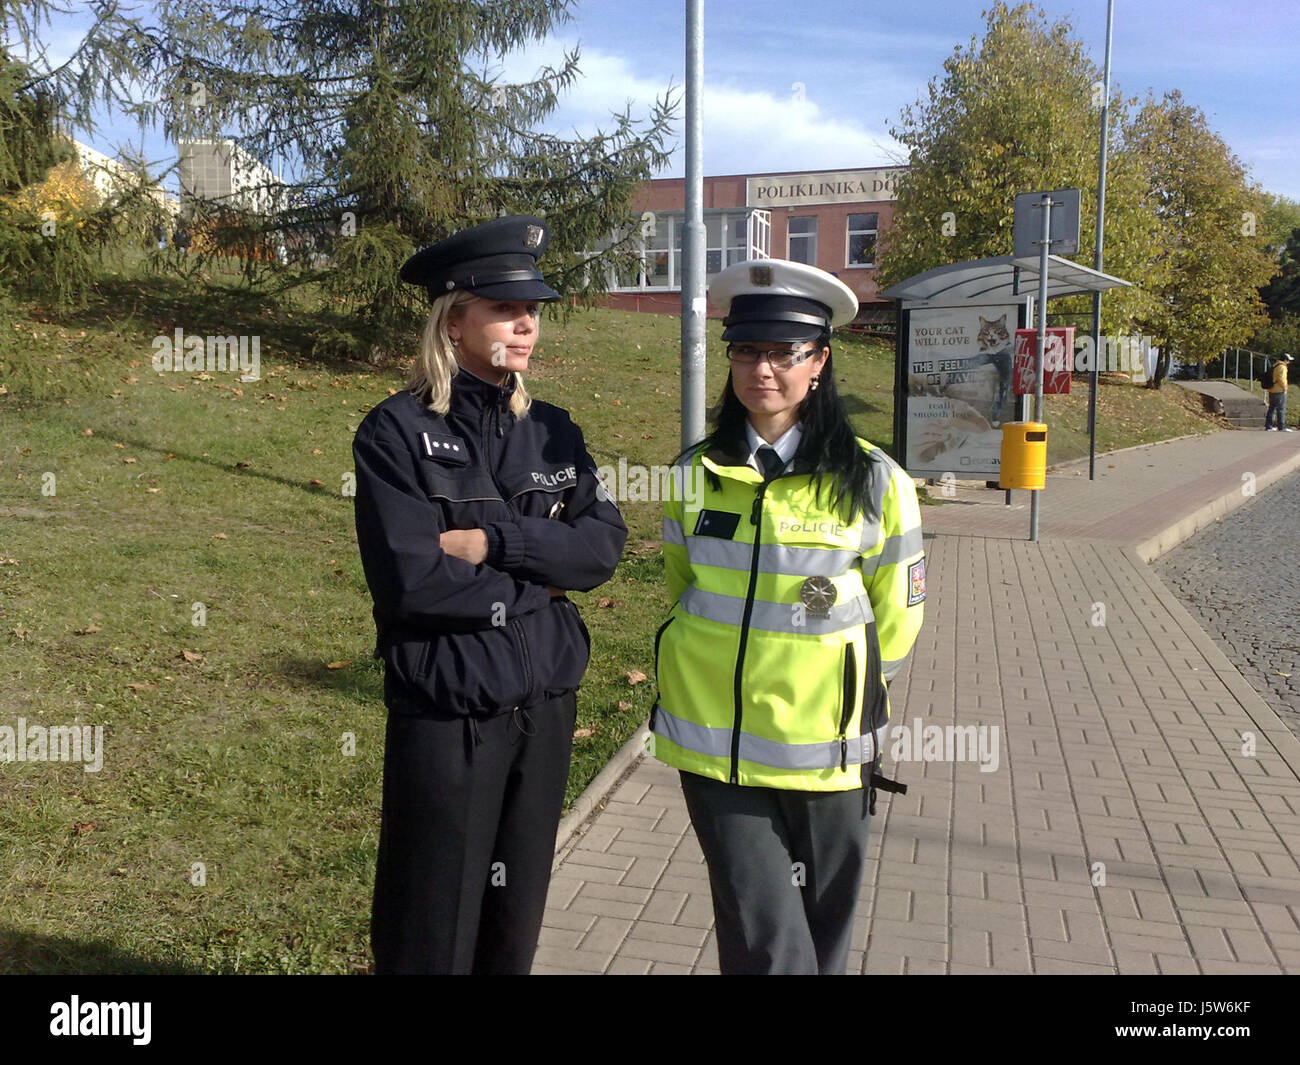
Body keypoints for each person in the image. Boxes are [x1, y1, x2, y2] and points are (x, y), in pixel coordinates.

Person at [351, 215, 627, 974]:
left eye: (533, 309)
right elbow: (417, 582)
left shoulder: (555, 432)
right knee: (429, 930)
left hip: (542, 714)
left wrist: (499, 546)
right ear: (455, 317)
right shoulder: (396, 433)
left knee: (513, 929)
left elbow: (602, 548)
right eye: (507, 308)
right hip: (449, 716)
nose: (527, 323)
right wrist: (548, 572)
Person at [650, 258, 925, 975]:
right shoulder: (693, 475)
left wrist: (847, 689)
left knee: (823, 937)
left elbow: (897, 616)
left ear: (819, 361)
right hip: (719, 752)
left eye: (782, 352)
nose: (761, 369)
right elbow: (685, 589)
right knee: (768, 940)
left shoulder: (874, 481)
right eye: (746, 349)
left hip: (829, 753)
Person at [1265, 352, 1293, 431]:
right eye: (1288, 360)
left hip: (1272, 389)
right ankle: (1281, 427)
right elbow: (1281, 379)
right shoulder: (1282, 367)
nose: (1289, 362)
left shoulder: (1275, 365)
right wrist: (1285, 387)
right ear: (1285, 360)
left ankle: (1269, 426)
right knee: (1281, 409)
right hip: (1279, 390)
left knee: (1272, 408)